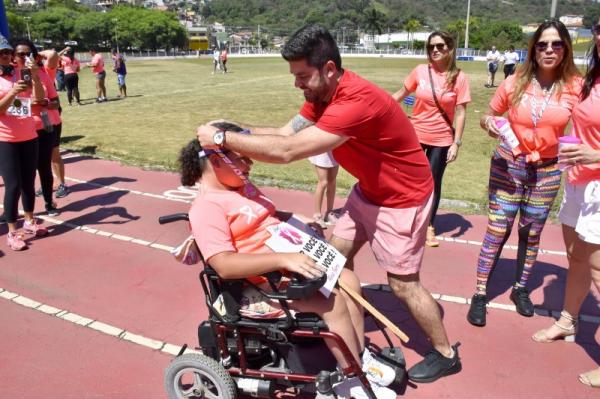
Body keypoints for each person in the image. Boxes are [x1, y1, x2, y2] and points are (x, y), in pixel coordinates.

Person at [196, 24, 461, 383]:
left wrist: (220, 137)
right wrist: (233, 130)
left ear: (330, 70)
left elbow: (287, 151)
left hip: (402, 199)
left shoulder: (355, 102)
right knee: (334, 258)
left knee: (402, 283)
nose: (297, 84)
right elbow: (286, 132)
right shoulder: (320, 97)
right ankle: (346, 313)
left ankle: (445, 353)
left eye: (303, 76)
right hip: (369, 191)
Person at [181, 122, 397, 399]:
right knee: (331, 302)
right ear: (215, 160)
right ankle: (348, 381)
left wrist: (291, 218)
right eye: (242, 158)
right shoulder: (206, 207)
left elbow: (262, 215)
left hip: (281, 270)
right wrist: (284, 258)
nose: (250, 164)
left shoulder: (241, 188)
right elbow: (223, 264)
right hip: (255, 286)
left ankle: (359, 359)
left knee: (349, 280)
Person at [467, 20, 583, 327]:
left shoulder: (575, 86)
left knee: (531, 233)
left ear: (565, 49)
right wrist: (490, 124)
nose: (549, 50)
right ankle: (480, 293)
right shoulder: (515, 80)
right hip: (509, 165)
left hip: (546, 170)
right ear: (533, 49)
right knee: (497, 228)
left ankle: (520, 289)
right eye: (542, 44)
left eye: (556, 44)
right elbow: (488, 116)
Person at [531, 21, 600, 389]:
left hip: (599, 188)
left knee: (598, 271)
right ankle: (568, 320)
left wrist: (595, 153)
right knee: (574, 256)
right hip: (578, 184)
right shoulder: (591, 78)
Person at [392, 31, 471, 247]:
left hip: (442, 139)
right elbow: (400, 93)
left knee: (433, 183)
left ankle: (428, 226)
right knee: (409, 179)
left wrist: (457, 143)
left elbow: (462, 112)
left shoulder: (459, 77)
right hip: (415, 135)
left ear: (450, 49)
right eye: (431, 47)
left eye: (440, 46)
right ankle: (406, 222)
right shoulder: (420, 71)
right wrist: (380, 107)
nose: (434, 50)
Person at [0, 34, 48, 250]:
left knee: (29, 182)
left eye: (8, 53)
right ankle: (12, 232)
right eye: (2, 53)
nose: (6, 56)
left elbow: (37, 99)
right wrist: (13, 92)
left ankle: (29, 221)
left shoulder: (23, 73)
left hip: (29, 136)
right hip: (6, 139)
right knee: (13, 186)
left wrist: (36, 77)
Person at [12, 38, 60, 217]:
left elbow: (55, 102)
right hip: (20, 130)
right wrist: (31, 104)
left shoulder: (42, 72)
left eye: (28, 53)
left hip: (44, 127)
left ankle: (49, 202)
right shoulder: (10, 75)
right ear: (13, 56)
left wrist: (45, 102)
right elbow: (7, 105)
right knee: (22, 173)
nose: (24, 57)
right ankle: (18, 210)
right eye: (20, 54)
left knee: (44, 168)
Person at [309, 151, 339, 227]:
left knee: (332, 181)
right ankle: (317, 216)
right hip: (323, 150)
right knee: (323, 182)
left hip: (334, 149)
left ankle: (329, 213)